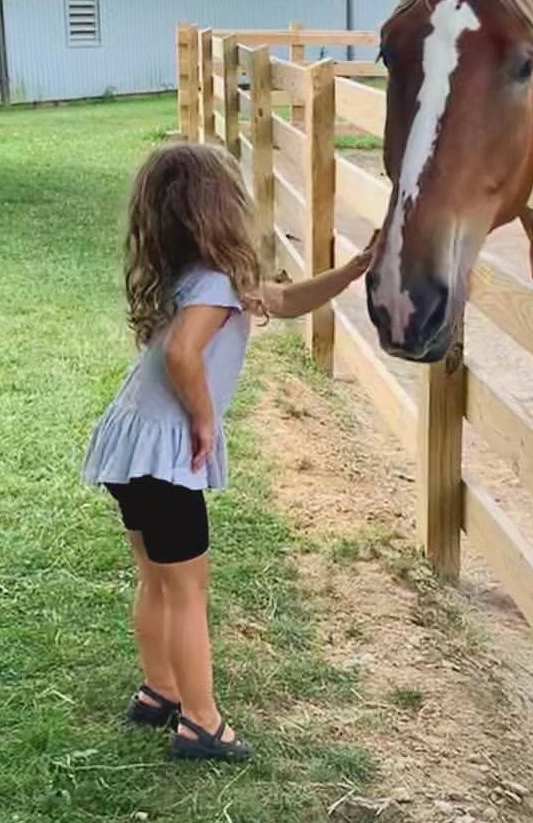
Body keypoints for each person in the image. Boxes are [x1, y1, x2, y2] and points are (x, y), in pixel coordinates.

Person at [83, 142, 373, 762]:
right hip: (164, 458)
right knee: (187, 592)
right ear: (219, 210)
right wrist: (206, 418)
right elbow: (184, 355)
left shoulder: (198, 279)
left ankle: (160, 690)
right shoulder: (214, 285)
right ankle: (202, 722)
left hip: (130, 448)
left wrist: (351, 273)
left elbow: (287, 300)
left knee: (158, 581)